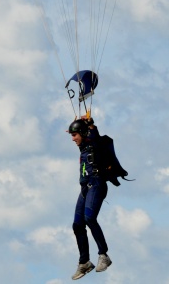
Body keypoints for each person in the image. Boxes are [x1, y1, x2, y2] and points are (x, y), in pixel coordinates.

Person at [67, 117, 112, 279]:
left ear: (84, 133)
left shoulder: (94, 143)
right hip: (85, 188)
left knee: (89, 218)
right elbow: (82, 135)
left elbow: (94, 135)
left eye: (75, 135)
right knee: (77, 225)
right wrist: (77, 124)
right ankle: (84, 262)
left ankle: (104, 255)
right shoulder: (83, 147)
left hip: (97, 183)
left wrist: (91, 124)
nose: (73, 139)